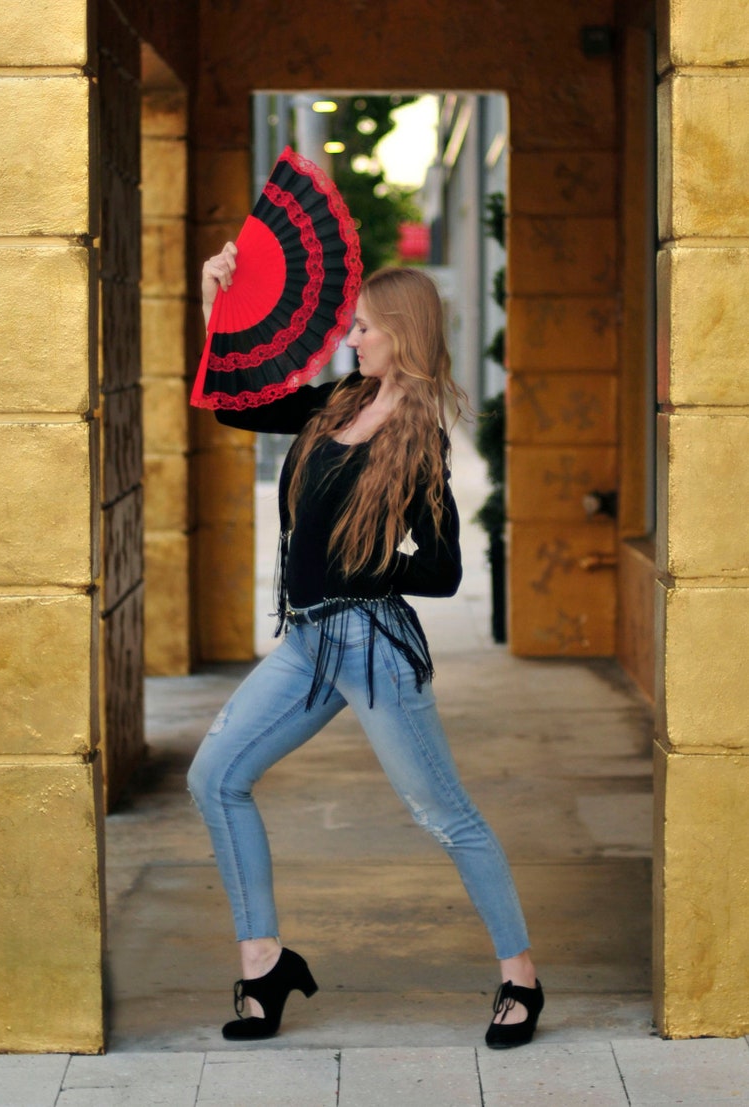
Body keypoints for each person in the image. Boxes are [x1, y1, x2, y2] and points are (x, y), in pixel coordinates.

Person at [187, 242, 544, 1049]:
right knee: (215, 777)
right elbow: (236, 403)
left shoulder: (420, 439)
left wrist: (372, 561)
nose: (352, 338)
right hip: (305, 643)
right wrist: (218, 299)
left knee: (445, 815)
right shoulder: (338, 402)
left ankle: (520, 979)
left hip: (374, 650)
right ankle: (264, 961)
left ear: (402, 334)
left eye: (364, 328)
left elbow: (447, 569)